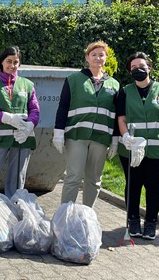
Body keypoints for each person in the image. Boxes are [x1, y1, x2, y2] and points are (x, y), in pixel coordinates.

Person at [117, 52, 159, 240]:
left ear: (150, 68)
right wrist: (126, 137)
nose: (138, 70)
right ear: (130, 71)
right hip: (131, 148)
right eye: (134, 67)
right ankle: (133, 221)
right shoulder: (124, 92)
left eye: (141, 66)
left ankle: (151, 223)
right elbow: (121, 118)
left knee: (154, 186)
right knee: (133, 185)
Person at [53, 40, 119, 208]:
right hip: (77, 136)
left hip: (101, 138)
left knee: (94, 179)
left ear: (106, 58)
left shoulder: (114, 84)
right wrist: (58, 133)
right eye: (94, 54)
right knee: (73, 177)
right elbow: (63, 107)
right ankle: (65, 216)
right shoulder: (73, 80)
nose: (98, 58)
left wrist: (115, 139)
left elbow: (117, 114)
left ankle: (86, 216)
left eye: (101, 55)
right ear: (87, 57)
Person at [0, 46, 40, 197]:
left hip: (22, 138)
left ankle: (14, 208)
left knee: (17, 180)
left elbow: (35, 110)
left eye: (16, 62)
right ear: (2, 62)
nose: (12, 65)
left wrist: (29, 126)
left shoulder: (27, 85)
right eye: (9, 61)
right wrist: (8, 118)